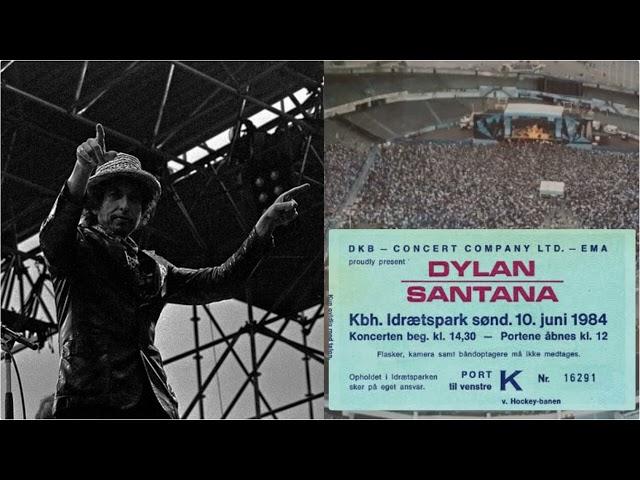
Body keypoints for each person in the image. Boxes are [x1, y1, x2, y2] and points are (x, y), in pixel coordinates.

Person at [40, 124, 309, 419]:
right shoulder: (76, 248)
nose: (124, 206)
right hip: (90, 403)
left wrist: (263, 228)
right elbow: (54, 235)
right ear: (96, 203)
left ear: (144, 212)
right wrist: (82, 168)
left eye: (134, 199)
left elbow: (220, 281)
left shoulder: (155, 268)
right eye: (115, 195)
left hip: (152, 404)